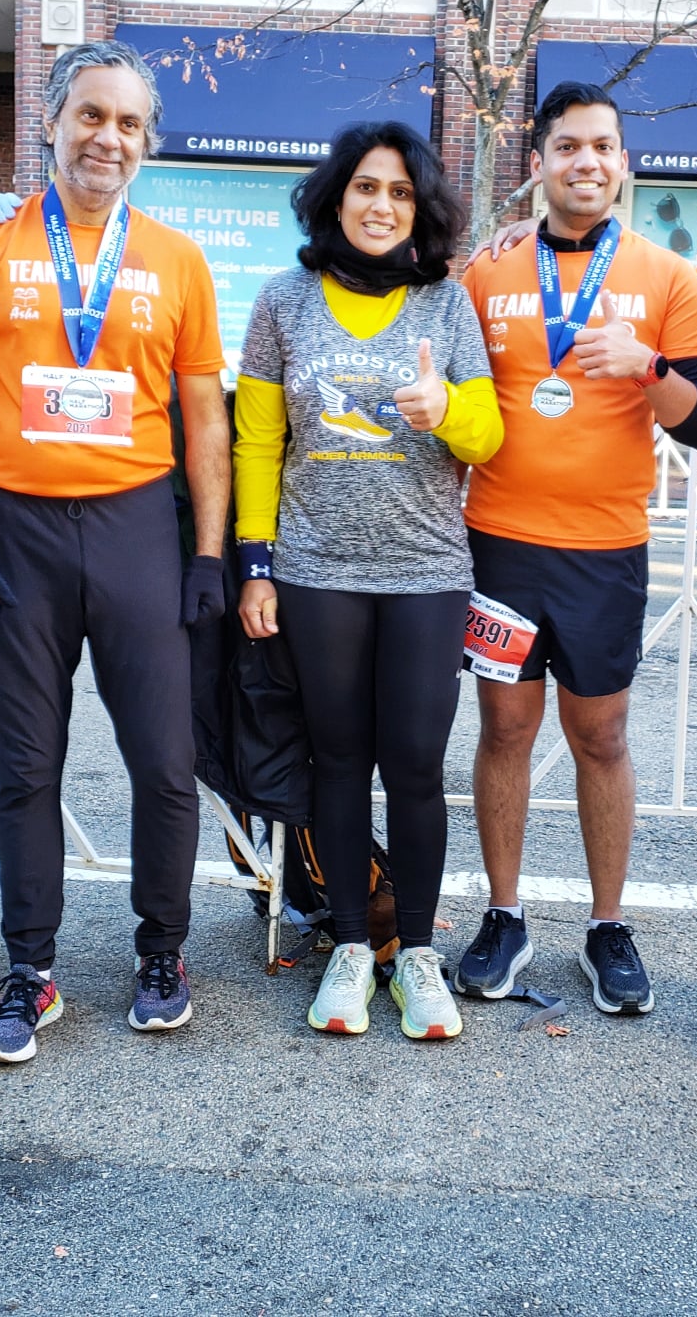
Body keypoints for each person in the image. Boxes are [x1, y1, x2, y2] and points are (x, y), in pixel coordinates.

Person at [0, 39, 231, 1064]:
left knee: (166, 764)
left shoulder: (177, 258)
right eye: (92, 115)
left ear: (148, 142)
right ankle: (30, 972)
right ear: (51, 122)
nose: (109, 138)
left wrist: (211, 554)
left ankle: (162, 953)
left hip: (136, 527)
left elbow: (206, 422)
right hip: (15, 531)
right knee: (26, 771)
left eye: (130, 123)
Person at [454, 80, 697, 1017]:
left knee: (600, 736)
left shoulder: (667, 277)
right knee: (504, 730)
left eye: (604, 147)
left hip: (607, 551)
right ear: (538, 163)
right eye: (569, 146)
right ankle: (504, 915)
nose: (588, 162)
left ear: (623, 163)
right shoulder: (488, 271)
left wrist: (648, 367)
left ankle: (609, 924)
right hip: (499, 545)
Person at [233, 121, 502, 1041]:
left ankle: (416, 953)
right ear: (335, 196)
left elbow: (488, 436)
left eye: (400, 192)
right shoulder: (283, 300)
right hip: (316, 570)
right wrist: (256, 564)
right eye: (365, 187)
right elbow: (258, 441)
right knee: (338, 760)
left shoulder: (446, 305)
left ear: (419, 210)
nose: (381, 206)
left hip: (426, 571)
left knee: (416, 765)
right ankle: (352, 944)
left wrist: (445, 407)